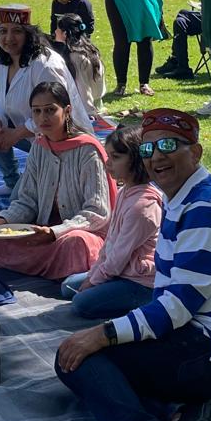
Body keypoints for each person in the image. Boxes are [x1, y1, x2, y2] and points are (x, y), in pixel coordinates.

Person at [55, 108, 211, 421]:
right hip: (200, 341)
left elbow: (177, 308)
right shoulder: (183, 199)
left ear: (195, 153)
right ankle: (182, 412)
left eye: (168, 145)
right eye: (148, 150)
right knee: (98, 352)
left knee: (79, 358)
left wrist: (102, 336)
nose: (157, 156)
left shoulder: (205, 210)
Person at [0, 81, 112, 278]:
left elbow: (97, 212)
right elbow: (27, 200)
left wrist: (56, 232)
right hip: (37, 235)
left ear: (67, 111)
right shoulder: (39, 146)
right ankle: (45, 267)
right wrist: (4, 220)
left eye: (50, 110)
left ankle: (15, 261)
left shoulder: (87, 150)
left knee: (77, 244)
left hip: (72, 235)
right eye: (36, 111)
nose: (42, 118)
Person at [0, 4, 93, 198]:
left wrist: (16, 134)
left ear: (28, 35)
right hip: (33, 135)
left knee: (21, 200)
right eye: (3, 31)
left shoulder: (45, 64)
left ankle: (39, 181)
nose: (8, 39)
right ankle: (12, 181)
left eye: (16, 31)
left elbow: (55, 116)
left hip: (62, 138)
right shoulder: (3, 58)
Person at [60, 123, 163, 320]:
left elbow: (118, 257)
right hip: (122, 271)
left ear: (136, 159)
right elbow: (110, 243)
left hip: (141, 283)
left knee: (81, 304)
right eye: (108, 155)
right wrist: (94, 274)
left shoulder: (142, 207)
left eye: (115, 157)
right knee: (68, 286)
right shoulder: (126, 192)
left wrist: (94, 281)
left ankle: (145, 303)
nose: (107, 163)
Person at [51, 12, 106, 117]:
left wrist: (88, 113)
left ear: (65, 34)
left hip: (86, 107)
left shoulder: (76, 57)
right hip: (96, 101)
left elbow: (83, 88)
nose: (55, 32)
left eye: (58, 29)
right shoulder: (89, 49)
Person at [154, 3, 203, 80]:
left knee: (182, 14)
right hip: (210, 15)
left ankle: (177, 62)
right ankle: (179, 64)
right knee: (179, 21)